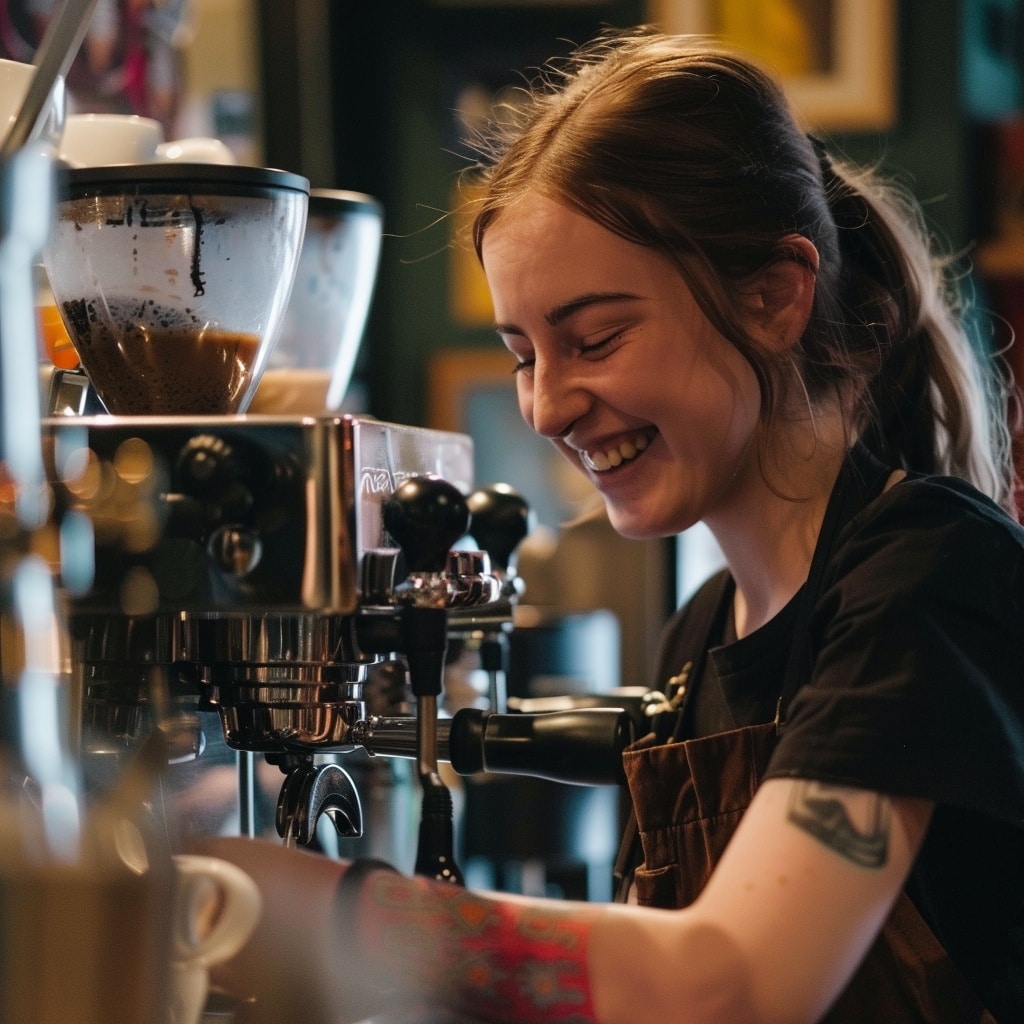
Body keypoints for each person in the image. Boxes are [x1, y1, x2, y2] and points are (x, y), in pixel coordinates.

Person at [197, 27, 1024, 1024]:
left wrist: (338, 914)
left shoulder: (921, 577)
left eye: (593, 338)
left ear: (773, 296)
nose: (545, 407)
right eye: (523, 353)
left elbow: (731, 984)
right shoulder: (704, 633)